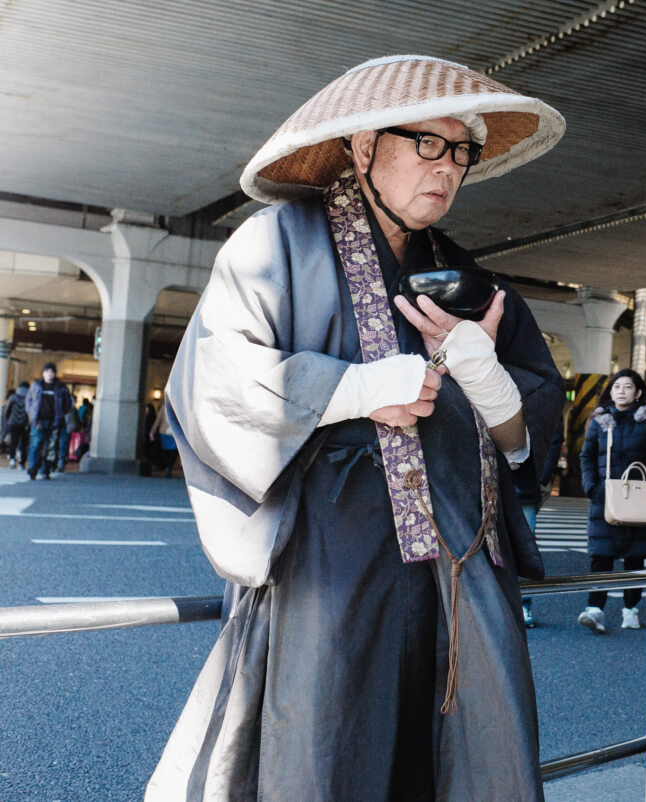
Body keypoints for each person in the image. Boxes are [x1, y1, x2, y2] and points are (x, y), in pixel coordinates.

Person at [146, 56, 565, 801]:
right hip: (331, 573)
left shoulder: (476, 286)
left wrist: (491, 383)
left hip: (463, 579)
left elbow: (528, 437)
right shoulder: (274, 245)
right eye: (427, 144)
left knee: (471, 762)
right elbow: (211, 380)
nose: (449, 168)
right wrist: (347, 388)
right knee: (328, 755)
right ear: (364, 146)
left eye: (461, 151)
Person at [579, 369, 646, 633]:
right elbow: (586, 456)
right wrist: (592, 486)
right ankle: (595, 609)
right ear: (610, 392)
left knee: (634, 559)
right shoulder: (600, 420)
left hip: (639, 498)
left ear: (637, 392)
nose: (621, 391)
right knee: (601, 557)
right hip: (605, 497)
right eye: (616, 387)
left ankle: (631, 609)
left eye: (627, 387)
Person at [515, 420, 564, 628]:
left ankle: (523, 604)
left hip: (526, 483)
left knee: (524, 547)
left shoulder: (540, 391)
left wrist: (542, 477)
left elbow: (554, 436)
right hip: (494, 480)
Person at [25, 363, 73, 480]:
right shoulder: (36, 386)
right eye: (47, 372)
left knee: (50, 447)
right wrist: (31, 414)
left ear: (55, 374)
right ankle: (33, 468)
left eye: (52, 372)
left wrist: (61, 414)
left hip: (54, 421)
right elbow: (29, 401)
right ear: (43, 373)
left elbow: (68, 403)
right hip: (38, 420)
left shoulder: (61, 387)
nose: (49, 374)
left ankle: (45, 470)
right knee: (36, 444)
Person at [4, 382, 31, 469]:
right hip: (25, 424)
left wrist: (9, 420)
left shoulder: (13, 397)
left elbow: (7, 411)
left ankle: (12, 459)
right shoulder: (29, 397)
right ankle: (22, 462)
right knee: (24, 444)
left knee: (13, 443)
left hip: (13, 423)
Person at [151, 404, 178, 478]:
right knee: (165, 450)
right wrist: (152, 432)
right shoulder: (164, 407)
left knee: (174, 451)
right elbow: (158, 420)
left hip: (174, 434)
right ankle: (167, 466)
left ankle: (169, 466)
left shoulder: (179, 406)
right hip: (164, 432)